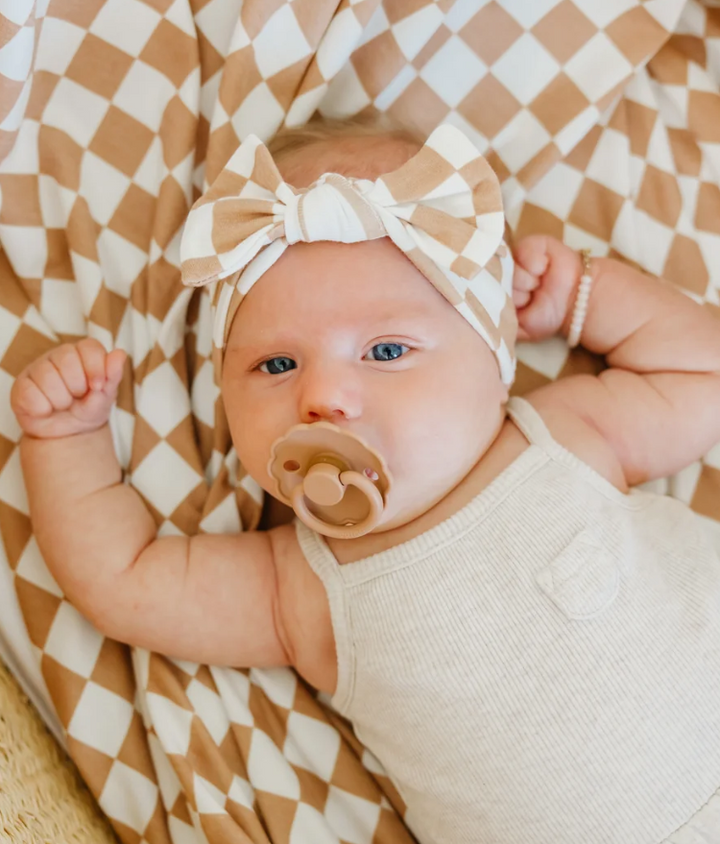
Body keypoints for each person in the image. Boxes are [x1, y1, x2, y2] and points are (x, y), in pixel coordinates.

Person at [10, 113, 720, 844]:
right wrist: (68, 441)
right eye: (277, 365)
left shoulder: (564, 437)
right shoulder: (308, 588)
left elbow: (702, 373)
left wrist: (584, 298)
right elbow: (126, 582)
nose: (325, 397)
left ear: (494, 355)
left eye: (385, 350)